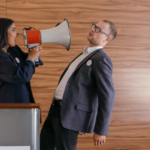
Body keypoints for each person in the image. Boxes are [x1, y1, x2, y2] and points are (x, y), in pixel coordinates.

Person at [40, 20, 117, 150]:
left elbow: (107, 96)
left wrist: (101, 130)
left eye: (99, 30)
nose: (93, 29)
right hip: (55, 111)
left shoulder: (101, 59)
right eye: (94, 26)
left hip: (68, 116)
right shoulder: (84, 55)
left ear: (107, 39)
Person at [0, 18, 42, 103]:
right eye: (13, 30)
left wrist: (33, 52)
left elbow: (27, 66)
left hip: (21, 107)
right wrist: (31, 58)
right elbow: (22, 76)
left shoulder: (14, 49)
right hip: (8, 110)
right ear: (2, 33)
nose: (17, 33)